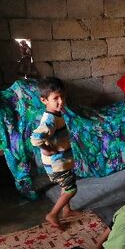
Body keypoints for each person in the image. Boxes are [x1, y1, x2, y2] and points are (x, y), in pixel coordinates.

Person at [30, 77, 81, 229]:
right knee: (71, 189)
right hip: (56, 163)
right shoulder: (50, 120)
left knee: (66, 186)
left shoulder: (56, 115)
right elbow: (35, 139)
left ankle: (67, 210)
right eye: (55, 98)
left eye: (62, 97)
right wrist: (46, 149)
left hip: (62, 160)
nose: (61, 101)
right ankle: (53, 214)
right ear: (44, 100)